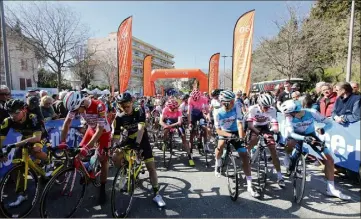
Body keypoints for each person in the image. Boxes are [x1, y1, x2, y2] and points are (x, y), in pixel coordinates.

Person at [280, 100, 351, 200]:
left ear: (295, 111)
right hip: (296, 135)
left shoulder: (311, 112)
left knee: (329, 159)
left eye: (288, 113)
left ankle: (331, 189)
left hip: (310, 134)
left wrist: (323, 129)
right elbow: (291, 134)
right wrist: (304, 138)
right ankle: (288, 158)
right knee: (290, 144)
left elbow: (329, 123)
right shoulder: (289, 118)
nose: (286, 115)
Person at [111, 92, 166, 207]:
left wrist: (137, 144)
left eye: (127, 106)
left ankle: (157, 194)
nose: (125, 109)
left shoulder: (139, 110)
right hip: (130, 139)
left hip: (142, 139)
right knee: (116, 156)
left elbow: (141, 129)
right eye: (122, 106)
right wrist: (114, 147)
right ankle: (126, 171)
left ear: (132, 103)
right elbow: (115, 136)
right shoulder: (119, 117)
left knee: (151, 167)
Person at [60, 91, 111, 205]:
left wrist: (88, 147)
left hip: (103, 133)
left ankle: (102, 188)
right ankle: (89, 173)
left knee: (103, 160)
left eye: (77, 110)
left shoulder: (99, 106)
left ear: (81, 103)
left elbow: (100, 129)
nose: (77, 113)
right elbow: (67, 123)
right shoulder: (75, 106)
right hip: (91, 131)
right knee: (77, 155)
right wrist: (62, 142)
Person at [0, 99, 52, 207]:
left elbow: (36, 137)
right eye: (10, 113)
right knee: (16, 165)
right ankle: (21, 194)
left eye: (16, 113)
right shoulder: (8, 121)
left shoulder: (33, 117)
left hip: (40, 137)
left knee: (35, 150)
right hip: (26, 138)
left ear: (24, 110)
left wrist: (14, 145)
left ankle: (49, 162)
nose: (13, 116)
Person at [213, 90, 259, 197]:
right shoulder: (217, 112)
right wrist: (228, 136)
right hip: (224, 132)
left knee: (244, 155)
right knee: (220, 146)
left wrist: (241, 138)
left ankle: (249, 185)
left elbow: (239, 124)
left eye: (233, 100)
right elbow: (218, 130)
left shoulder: (236, 107)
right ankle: (218, 162)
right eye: (231, 101)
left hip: (235, 131)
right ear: (224, 102)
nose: (234, 102)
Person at [246, 93, 285, 188]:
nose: (267, 109)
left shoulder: (272, 109)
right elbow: (250, 125)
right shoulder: (253, 109)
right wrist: (260, 134)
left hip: (265, 126)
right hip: (254, 126)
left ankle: (280, 176)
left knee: (273, 148)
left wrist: (275, 130)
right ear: (259, 104)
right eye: (265, 107)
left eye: (268, 107)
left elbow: (274, 122)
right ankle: (246, 156)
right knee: (253, 141)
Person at [160, 99, 194, 166]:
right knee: (165, 130)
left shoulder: (179, 111)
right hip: (169, 121)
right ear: (171, 108)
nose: (177, 108)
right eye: (176, 108)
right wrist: (166, 126)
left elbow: (179, 122)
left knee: (183, 137)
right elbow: (161, 121)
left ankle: (190, 157)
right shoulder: (165, 109)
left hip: (176, 123)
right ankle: (164, 141)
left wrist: (170, 126)